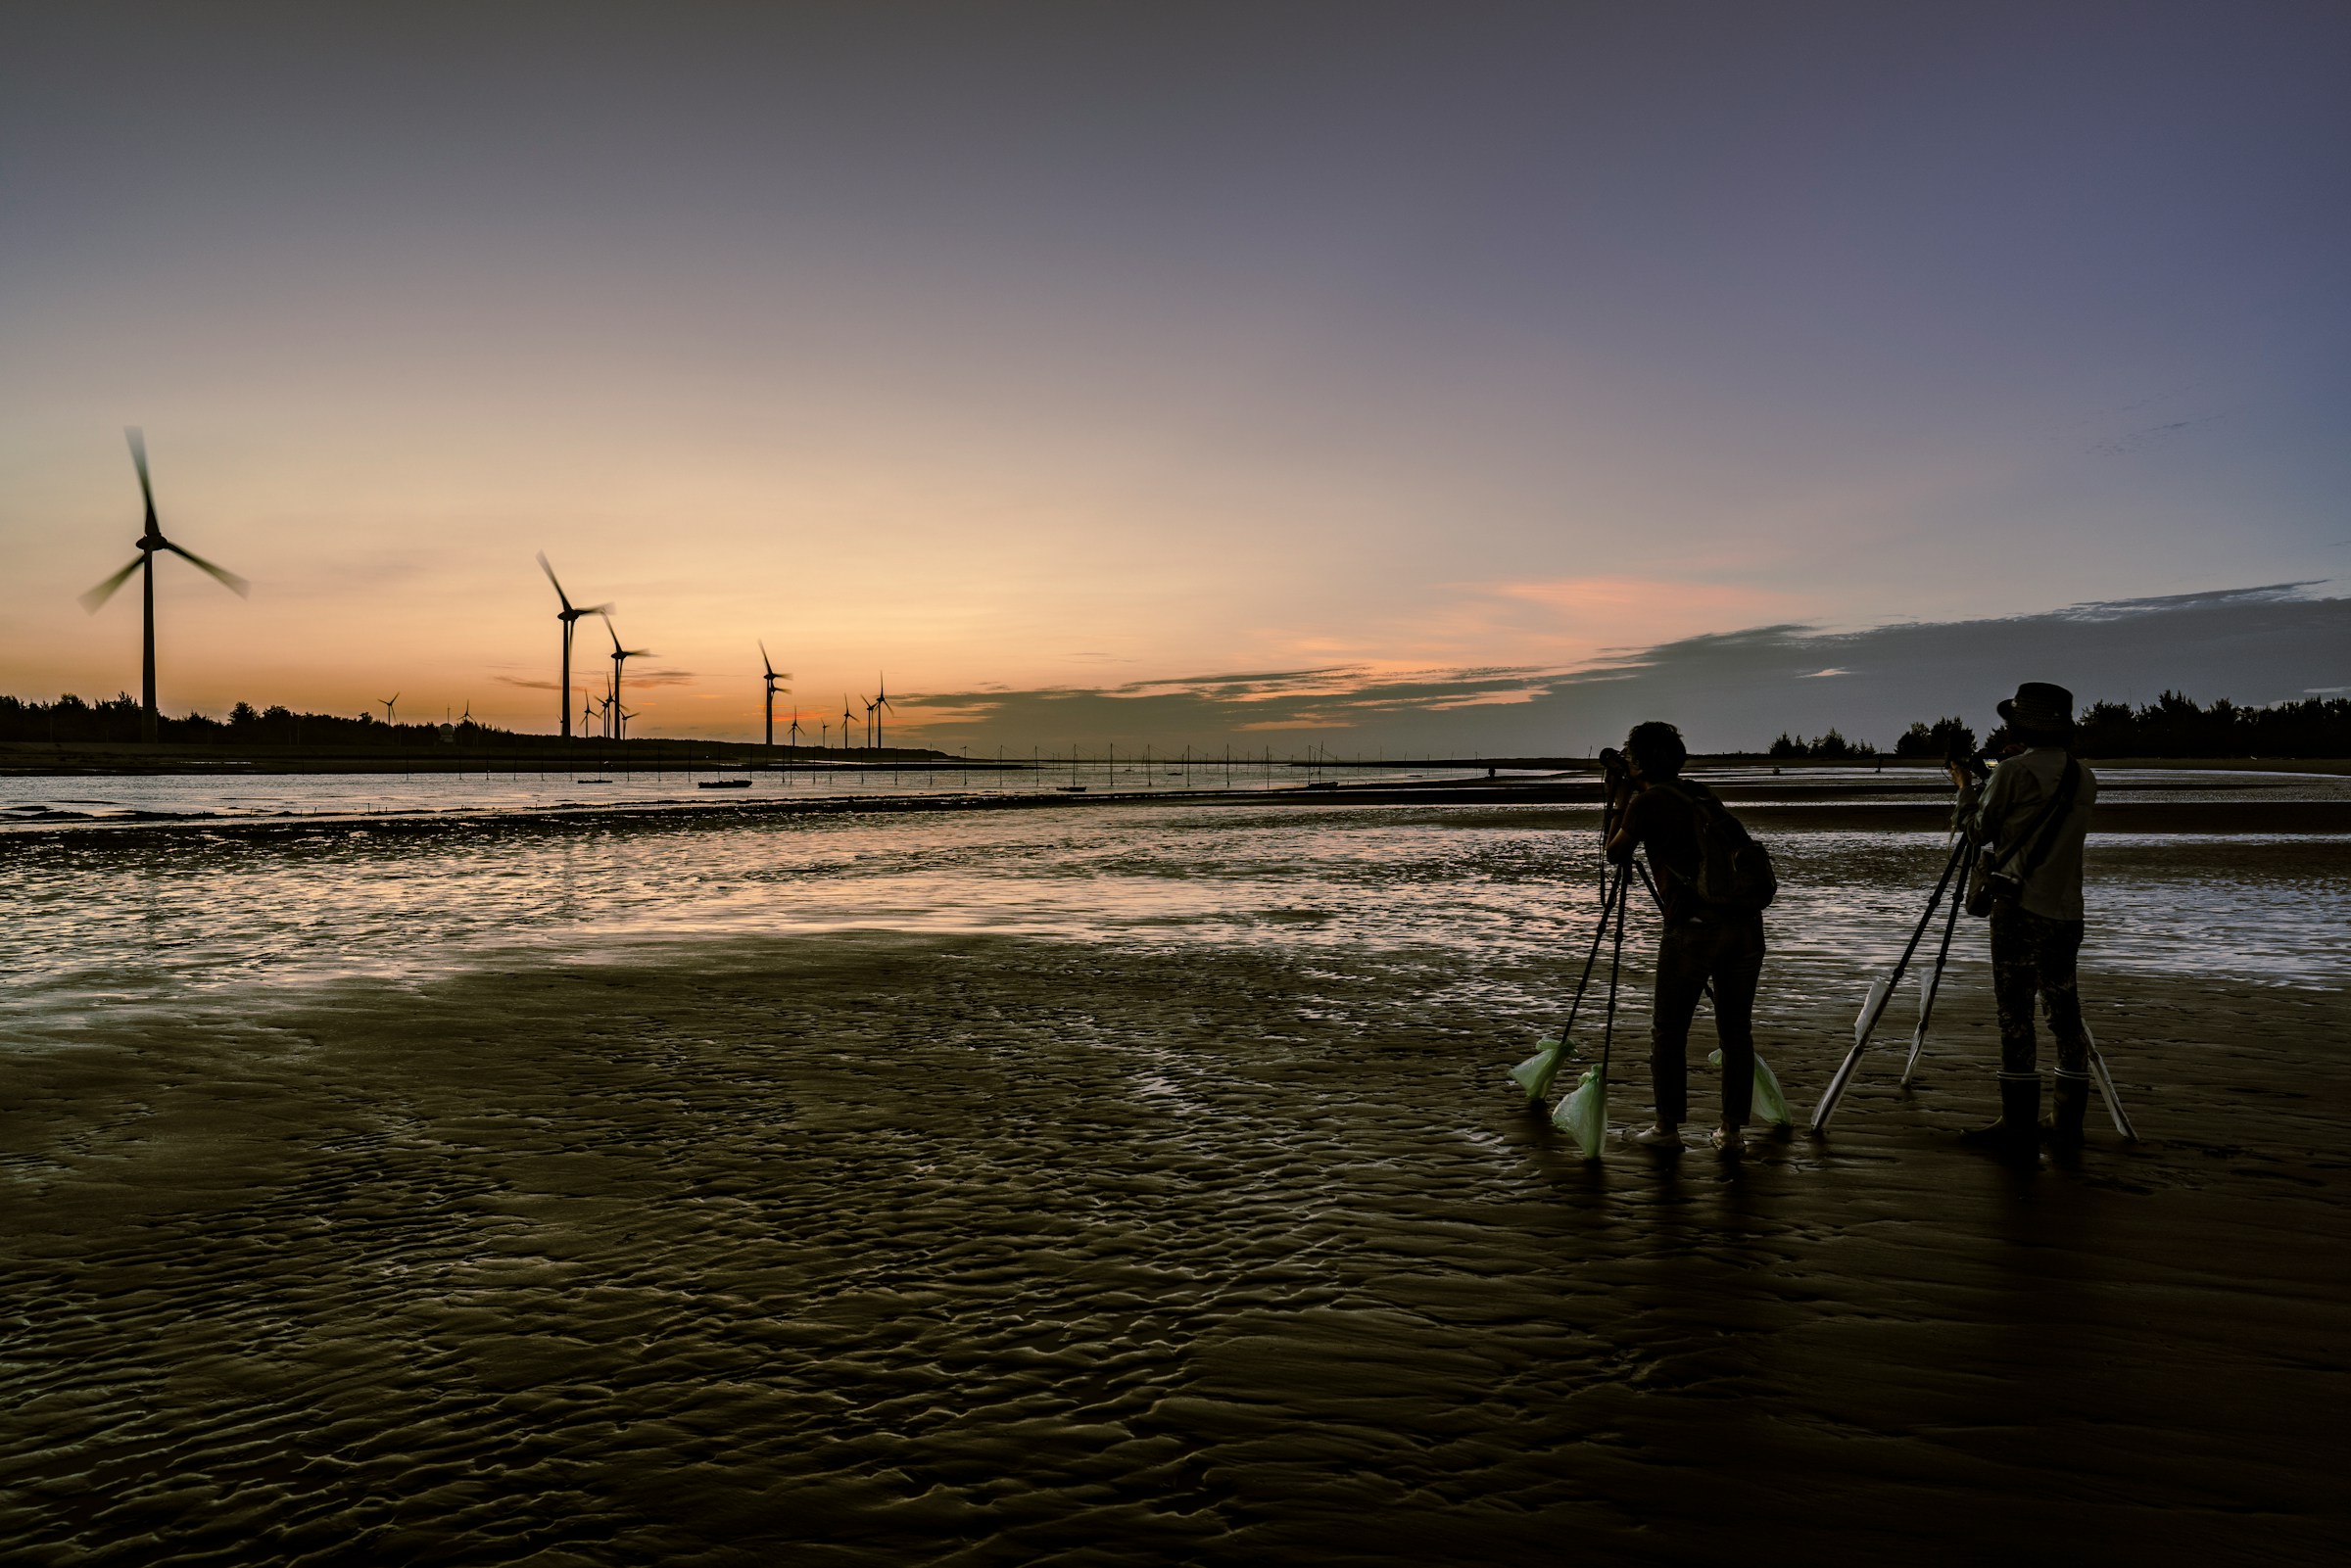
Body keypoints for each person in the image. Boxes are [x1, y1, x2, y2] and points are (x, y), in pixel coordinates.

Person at [1605, 720, 1767, 1154]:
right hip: (1747, 926)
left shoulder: (1647, 803)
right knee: (1736, 1031)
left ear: (1639, 761)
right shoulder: (1699, 793)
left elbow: (1614, 853)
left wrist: (1620, 801)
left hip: (1694, 930)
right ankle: (1732, 1133)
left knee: (1669, 1030)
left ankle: (1666, 1129)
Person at [1953, 681, 2099, 1149]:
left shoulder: (2013, 772)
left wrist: (1965, 788)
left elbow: (1979, 830)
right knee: (2064, 1012)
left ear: (2020, 726)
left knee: (2014, 1014)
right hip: (2066, 911)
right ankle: (2067, 1122)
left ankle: (2016, 1123)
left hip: (2019, 907)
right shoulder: (2083, 776)